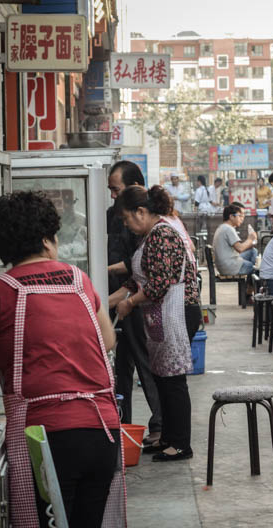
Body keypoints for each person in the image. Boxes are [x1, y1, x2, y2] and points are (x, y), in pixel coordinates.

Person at [0, 191, 124, 528]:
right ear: (48, 239)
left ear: (2, 246)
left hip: (47, 440)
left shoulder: (1, 290)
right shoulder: (77, 279)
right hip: (101, 430)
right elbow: (108, 340)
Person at [114, 185, 201, 462]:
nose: (127, 225)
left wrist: (129, 303)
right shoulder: (150, 235)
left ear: (141, 211)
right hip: (162, 314)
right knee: (162, 377)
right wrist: (108, 299)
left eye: (127, 219)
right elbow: (136, 281)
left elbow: (160, 283)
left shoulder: (162, 234)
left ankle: (180, 444)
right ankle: (167, 438)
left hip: (177, 312)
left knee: (173, 379)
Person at [107, 160, 161, 446]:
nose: (113, 197)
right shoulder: (109, 215)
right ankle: (123, 424)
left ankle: (160, 424)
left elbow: (144, 270)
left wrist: (127, 294)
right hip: (117, 303)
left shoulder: (153, 229)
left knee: (146, 362)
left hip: (136, 302)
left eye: (116, 190)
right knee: (121, 369)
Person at [212, 204, 258, 276]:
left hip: (226, 264)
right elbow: (240, 248)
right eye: (239, 216)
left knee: (253, 251)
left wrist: (250, 242)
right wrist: (250, 239)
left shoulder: (223, 227)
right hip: (230, 267)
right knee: (255, 268)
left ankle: (250, 283)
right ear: (231, 217)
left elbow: (239, 248)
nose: (241, 219)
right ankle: (252, 282)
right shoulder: (228, 229)